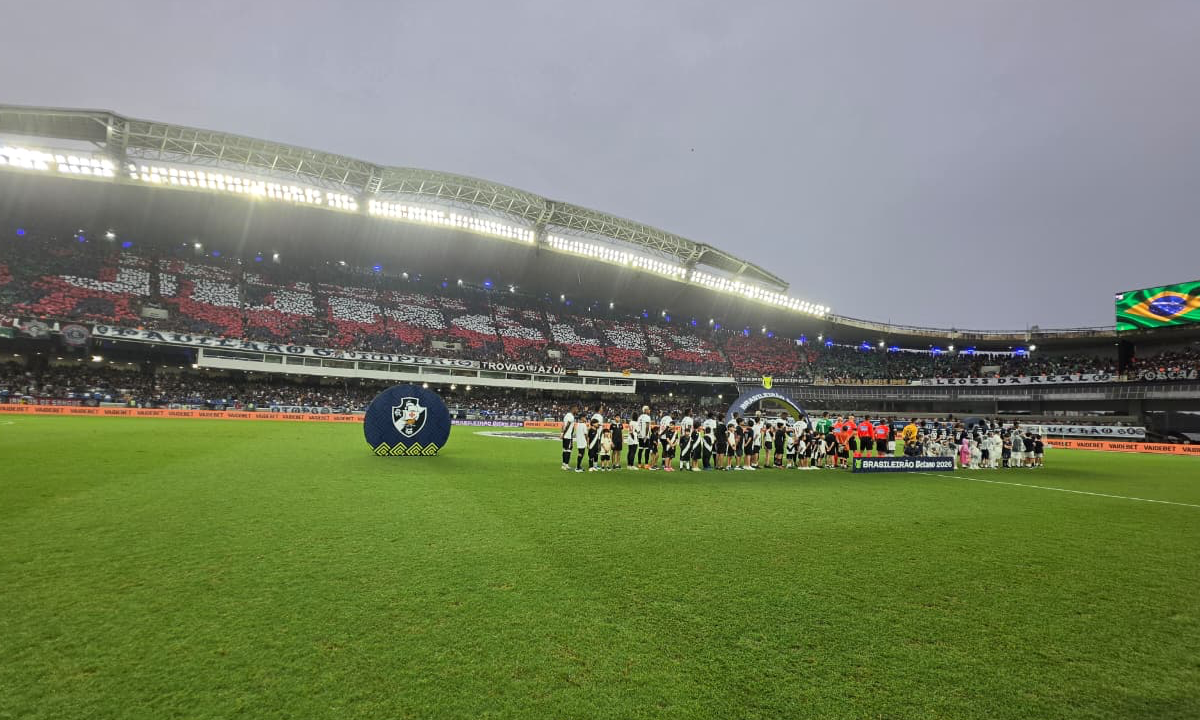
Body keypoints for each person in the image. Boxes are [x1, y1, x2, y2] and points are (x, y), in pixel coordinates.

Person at [561, 404, 578, 470]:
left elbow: (563, 425)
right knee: (568, 450)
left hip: (566, 436)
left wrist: (562, 433)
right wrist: (564, 433)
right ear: (573, 409)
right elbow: (567, 426)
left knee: (565, 450)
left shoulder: (566, 415)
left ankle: (564, 464)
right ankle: (566, 465)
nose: (577, 410)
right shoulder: (571, 417)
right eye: (576, 409)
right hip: (568, 436)